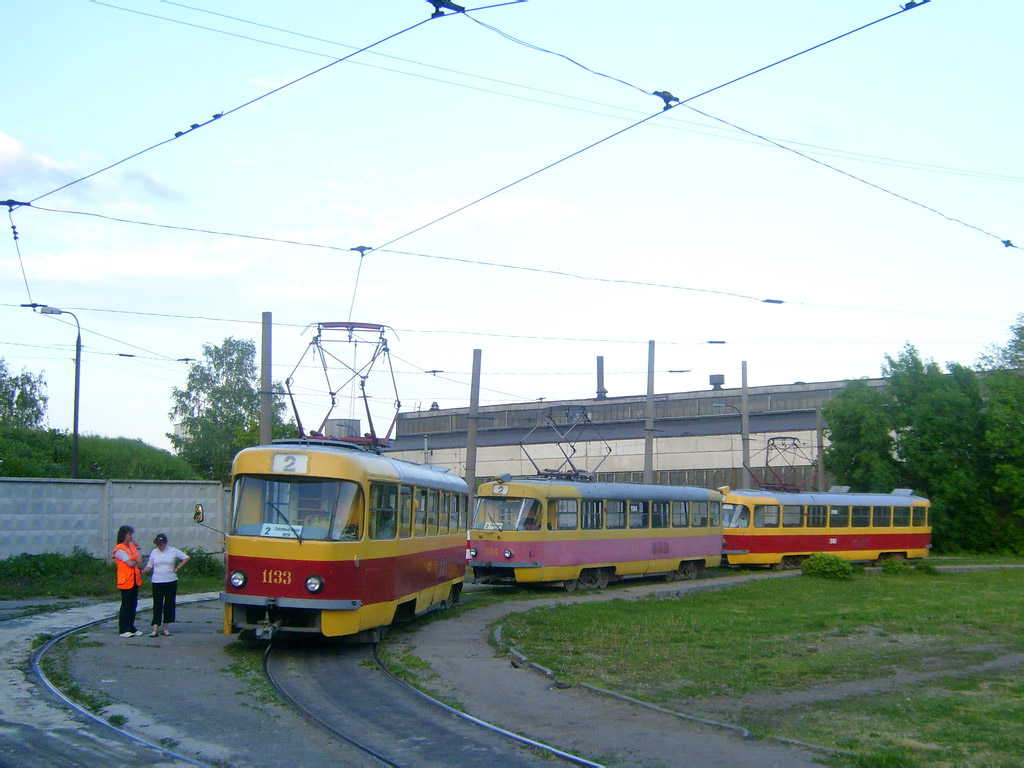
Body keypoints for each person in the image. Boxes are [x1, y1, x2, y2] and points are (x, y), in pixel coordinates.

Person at [141, 533, 189, 637]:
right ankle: (155, 628)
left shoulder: (172, 550)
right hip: (157, 581)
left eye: (161, 544)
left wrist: (177, 568)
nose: (159, 546)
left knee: (169, 604)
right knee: (157, 604)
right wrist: (144, 571)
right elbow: (150, 565)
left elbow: (186, 558)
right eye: (158, 544)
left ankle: (165, 628)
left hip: (170, 580)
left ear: (165, 543)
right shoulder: (154, 552)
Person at [113, 525, 144, 638]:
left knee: (133, 604)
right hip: (125, 580)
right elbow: (130, 564)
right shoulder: (120, 549)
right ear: (124, 535)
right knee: (126, 604)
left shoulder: (132, 547)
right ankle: (123, 628)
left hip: (135, 579)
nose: (131, 536)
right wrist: (135, 560)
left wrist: (139, 549)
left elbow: (139, 561)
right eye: (129, 534)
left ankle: (131, 627)